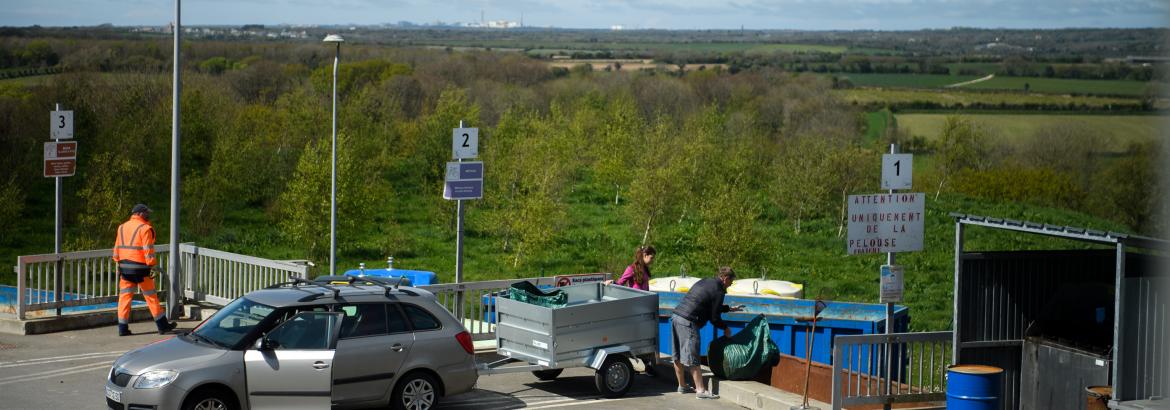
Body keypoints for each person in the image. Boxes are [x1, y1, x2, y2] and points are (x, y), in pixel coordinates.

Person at [670, 266, 743, 399]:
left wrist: (728, 308)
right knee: (693, 357)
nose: (730, 286)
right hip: (688, 321)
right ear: (725, 278)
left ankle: (682, 386)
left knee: (678, 355)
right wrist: (725, 328)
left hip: (676, 316)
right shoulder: (719, 291)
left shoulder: (706, 281)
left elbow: (709, 305)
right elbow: (714, 318)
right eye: (730, 282)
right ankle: (701, 391)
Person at [113, 204, 176, 336]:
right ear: (140, 214)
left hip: (125, 269)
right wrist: (152, 265)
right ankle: (162, 326)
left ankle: (122, 329)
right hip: (141, 269)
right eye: (147, 213)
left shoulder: (122, 227)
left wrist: (118, 263)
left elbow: (116, 249)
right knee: (151, 297)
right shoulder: (146, 228)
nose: (149, 215)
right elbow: (148, 251)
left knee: (124, 298)